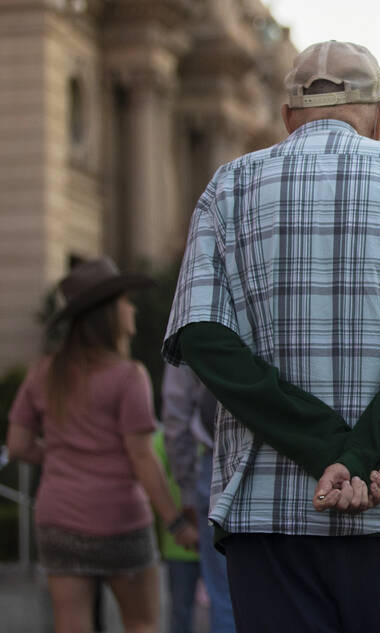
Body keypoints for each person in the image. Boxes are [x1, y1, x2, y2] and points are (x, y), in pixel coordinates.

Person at [162, 40, 380, 633]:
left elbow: (203, 338)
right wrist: (360, 458)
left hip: (269, 513)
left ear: (288, 116)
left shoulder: (228, 186)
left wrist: (326, 447)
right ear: (378, 113)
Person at [6, 258, 198, 633]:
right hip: (120, 521)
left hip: (58, 520)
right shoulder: (128, 376)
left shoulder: (43, 371)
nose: (132, 308)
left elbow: (17, 445)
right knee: (141, 623)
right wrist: (176, 522)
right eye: (125, 301)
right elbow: (142, 458)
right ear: (107, 313)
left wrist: (62, 458)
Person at [161, 363, 235, 632]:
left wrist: (187, 491)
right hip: (287, 457)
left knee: (226, 597)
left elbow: (176, 413)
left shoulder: (197, 321)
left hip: (216, 460)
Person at [152, 429, 201, 633]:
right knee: (182, 611)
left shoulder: (213, 431)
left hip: (188, 541)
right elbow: (152, 487)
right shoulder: (162, 439)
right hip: (180, 544)